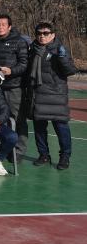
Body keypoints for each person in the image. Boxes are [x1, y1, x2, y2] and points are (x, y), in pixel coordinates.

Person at [26, 22, 77, 169]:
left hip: (56, 96)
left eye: (46, 33)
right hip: (37, 94)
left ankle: (65, 156)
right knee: (39, 128)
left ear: (53, 35)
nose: (42, 36)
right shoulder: (32, 49)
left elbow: (70, 70)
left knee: (61, 128)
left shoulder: (60, 49)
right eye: (39, 33)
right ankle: (43, 155)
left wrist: (61, 58)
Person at [0, 14, 30, 156]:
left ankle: (19, 151)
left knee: (17, 118)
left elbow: (24, 64)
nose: (0, 26)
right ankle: (0, 148)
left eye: (4, 24)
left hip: (14, 87)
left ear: (9, 26)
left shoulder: (19, 42)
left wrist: (12, 71)